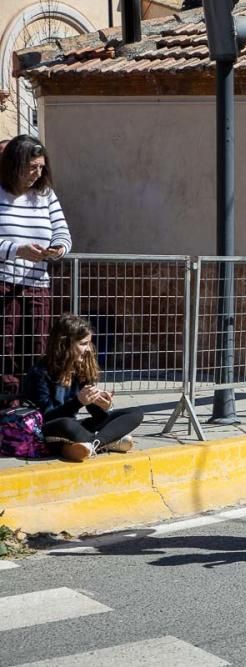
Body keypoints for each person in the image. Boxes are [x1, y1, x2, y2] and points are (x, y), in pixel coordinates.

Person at [1, 135, 71, 397]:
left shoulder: (45, 195)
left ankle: (33, 405)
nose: (37, 173)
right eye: (32, 167)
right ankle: (8, 407)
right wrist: (17, 250)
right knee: (5, 346)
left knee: (36, 345)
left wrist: (58, 249)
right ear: (15, 164)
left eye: (41, 167)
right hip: (4, 283)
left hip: (37, 284)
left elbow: (62, 232)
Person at [21, 313, 142, 462]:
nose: (89, 350)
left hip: (74, 428)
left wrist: (104, 406)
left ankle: (94, 444)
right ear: (65, 344)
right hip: (48, 429)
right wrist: (78, 402)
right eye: (83, 344)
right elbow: (46, 417)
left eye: (89, 343)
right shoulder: (41, 372)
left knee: (135, 413)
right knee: (67, 424)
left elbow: (97, 417)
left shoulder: (79, 368)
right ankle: (108, 441)